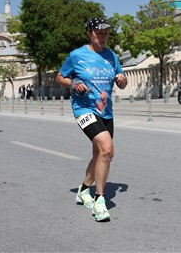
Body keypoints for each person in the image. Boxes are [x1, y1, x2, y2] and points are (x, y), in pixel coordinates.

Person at [55, 17, 127, 222]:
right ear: (89, 33)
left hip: (106, 111)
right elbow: (60, 77)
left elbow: (121, 83)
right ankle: (99, 200)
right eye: (98, 33)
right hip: (84, 109)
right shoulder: (76, 55)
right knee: (107, 149)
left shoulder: (111, 56)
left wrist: (122, 79)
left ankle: (84, 189)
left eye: (106, 33)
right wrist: (73, 84)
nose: (103, 36)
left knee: (100, 155)